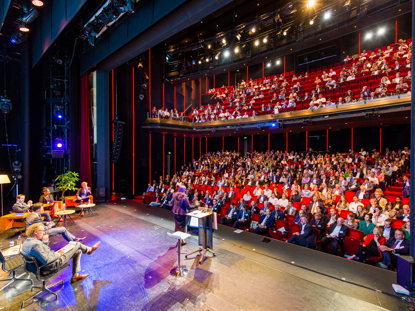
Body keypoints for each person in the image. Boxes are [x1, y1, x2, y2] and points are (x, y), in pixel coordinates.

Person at [22, 223, 101, 283]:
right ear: (35, 232)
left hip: (41, 265)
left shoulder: (27, 242)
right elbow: (48, 261)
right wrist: (58, 254)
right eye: (42, 231)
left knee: (78, 251)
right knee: (77, 244)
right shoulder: (36, 245)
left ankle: (75, 275)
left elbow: (42, 252)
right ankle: (89, 250)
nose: (44, 233)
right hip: (51, 265)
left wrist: (45, 242)